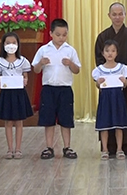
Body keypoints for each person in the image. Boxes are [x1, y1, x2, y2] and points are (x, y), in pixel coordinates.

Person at [94, 2, 127, 155]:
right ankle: (107, 147)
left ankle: (125, 147)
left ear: (125, 15)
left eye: (120, 14)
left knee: (126, 112)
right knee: (106, 114)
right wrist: (104, 79)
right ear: (109, 16)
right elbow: (99, 60)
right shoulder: (102, 37)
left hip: (125, 85)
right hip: (108, 85)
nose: (117, 17)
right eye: (114, 14)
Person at [33, 18, 81, 159]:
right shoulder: (43, 50)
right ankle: (49, 147)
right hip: (48, 89)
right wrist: (41, 63)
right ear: (51, 34)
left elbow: (77, 70)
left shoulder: (70, 50)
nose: (61, 38)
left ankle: (67, 147)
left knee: (66, 119)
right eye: (58, 34)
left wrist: (70, 64)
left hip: (65, 90)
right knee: (48, 120)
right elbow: (35, 70)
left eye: (64, 35)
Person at [0, 32, 33, 159]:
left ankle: (18, 149)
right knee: (8, 122)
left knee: (19, 121)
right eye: (8, 43)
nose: (11, 45)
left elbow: (25, 76)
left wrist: (25, 81)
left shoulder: (23, 61)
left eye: (14, 43)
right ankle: (10, 149)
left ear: (18, 44)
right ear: (3, 45)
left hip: (19, 93)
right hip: (6, 94)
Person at [93, 40, 127, 160]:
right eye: (107, 51)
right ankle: (105, 149)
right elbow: (98, 86)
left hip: (118, 98)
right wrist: (98, 83)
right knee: (104, 125)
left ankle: (119, 149)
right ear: (103, 53)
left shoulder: (122, 68)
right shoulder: (98, 70)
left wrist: (125, 82)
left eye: (113, 51)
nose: (110, 53)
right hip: (105, 99)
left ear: (117, 53)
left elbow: (125, 85)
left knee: (119, 125)